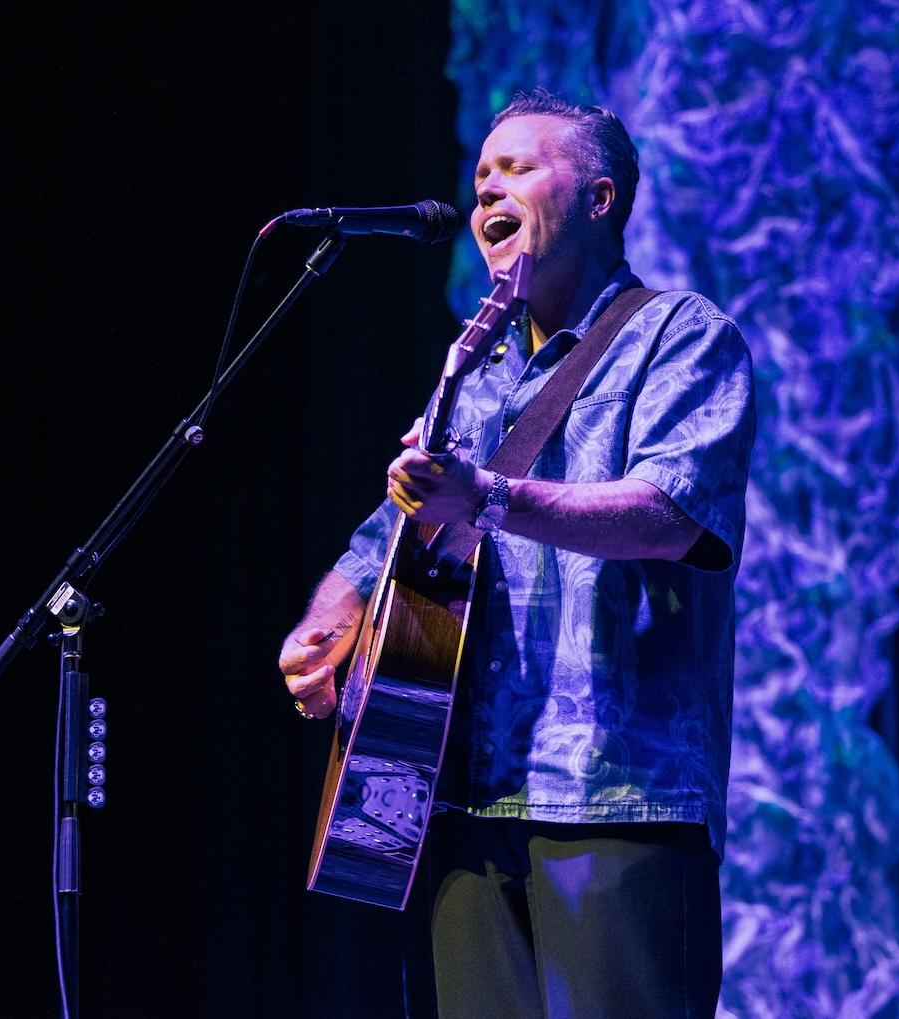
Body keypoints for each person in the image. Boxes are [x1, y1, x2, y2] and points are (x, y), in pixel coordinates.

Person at [278, 88, 755, 1018]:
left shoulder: (682, 334)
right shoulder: (476, 369)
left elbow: (668, 513)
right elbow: (394, 526)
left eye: (520, 167)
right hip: (452, 795)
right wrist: (327, 618)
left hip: (615, 791)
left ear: (601, 199)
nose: (489, 187)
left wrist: (489, 495)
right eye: (481, 173)